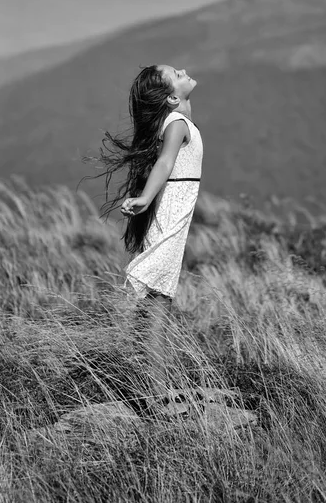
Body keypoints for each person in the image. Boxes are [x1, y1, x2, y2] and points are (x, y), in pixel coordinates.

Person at [93, 64, 203, 406]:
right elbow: (165, 164)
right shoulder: (176, 124)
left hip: (173, 212)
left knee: (157, 304)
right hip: (169, 215)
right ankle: (154, 393)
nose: (184, 69)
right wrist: (144, 199)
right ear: (171, 97)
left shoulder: (176, 118)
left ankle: (152, 384)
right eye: (176, 72)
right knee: (158, 305)